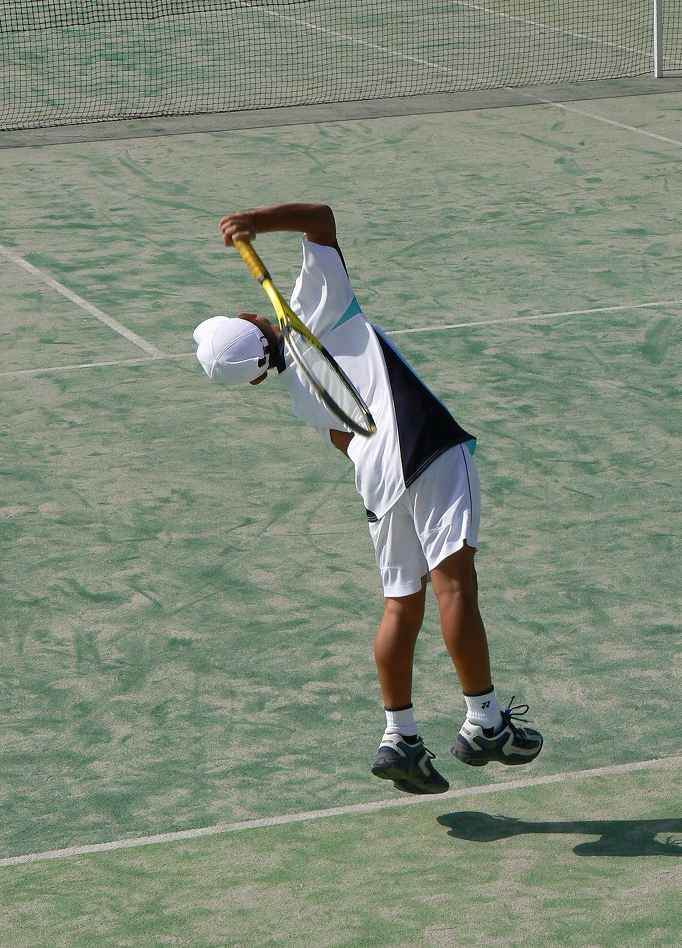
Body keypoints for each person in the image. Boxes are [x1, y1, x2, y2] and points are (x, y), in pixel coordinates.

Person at [194, 201, 543, 795]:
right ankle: (485, 722)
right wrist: (256, 220)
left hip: (377, 477)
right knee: (454, 587)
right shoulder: (317, 306)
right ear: (250, 318)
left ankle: (399, 735)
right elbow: (321, 218)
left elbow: (350, 444)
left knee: (401, 606)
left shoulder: (301, 399)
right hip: (427, 448)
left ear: (255, 375)